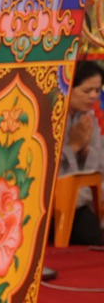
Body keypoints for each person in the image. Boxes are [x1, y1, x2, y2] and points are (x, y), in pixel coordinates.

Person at [63, 59, 101, 248]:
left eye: (97, 90)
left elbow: (98, 166)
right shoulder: (53, 118)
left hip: (85, 194)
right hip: (60, 199)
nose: (93, 96)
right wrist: (73, 147)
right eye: (87, 91)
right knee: (90, 229)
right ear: (69, 88)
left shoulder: (88, 118)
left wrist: (85, 151)